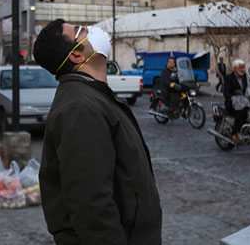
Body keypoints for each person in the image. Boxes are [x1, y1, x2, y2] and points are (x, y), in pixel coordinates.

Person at [33, 19, 162, 245]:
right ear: (76, 56)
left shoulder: (93, 97)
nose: (90, 29)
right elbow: (91, 205)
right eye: (80, 31)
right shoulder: (80, 109)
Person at [223, 59, 248, 143]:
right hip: (232, 103)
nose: (243, 69)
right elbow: (226, 92)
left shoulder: (246, 77)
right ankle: (233, 133)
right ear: (235, 68)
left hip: (244, 102)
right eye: (241, 68)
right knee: (242, 113)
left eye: (244, 67)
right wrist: (233, 98)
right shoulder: (229, 78)